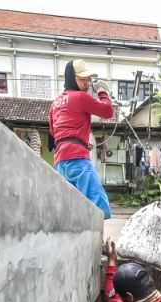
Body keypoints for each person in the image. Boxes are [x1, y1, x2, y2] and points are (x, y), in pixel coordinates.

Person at [48, 59, 114, 219]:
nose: (86, 83)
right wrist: (102, 92)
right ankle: (96, 242)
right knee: (100, 208)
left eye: (87, 80)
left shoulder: (55, 103)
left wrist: (81, 142)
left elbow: (53, 134)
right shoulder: (80, 97)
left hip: (60, 164)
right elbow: (107, 111)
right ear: (72, 78)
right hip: (78, 161)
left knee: (69, 211)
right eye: (82, 79)